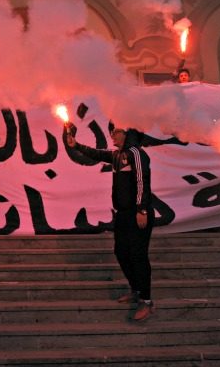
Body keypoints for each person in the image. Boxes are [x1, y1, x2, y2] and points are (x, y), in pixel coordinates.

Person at [66, 124, 155, 321]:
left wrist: (141, 209)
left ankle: (146, 301)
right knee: (121, 252)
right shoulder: (117, 155)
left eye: (116, 132)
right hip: (123, 214)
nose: (112, 135)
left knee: (138, 255)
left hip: (138, 212)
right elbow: (97, 154)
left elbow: (142, 181)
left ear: (127, 134)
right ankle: (136, 289)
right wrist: (76, 145)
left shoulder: (136, 153)